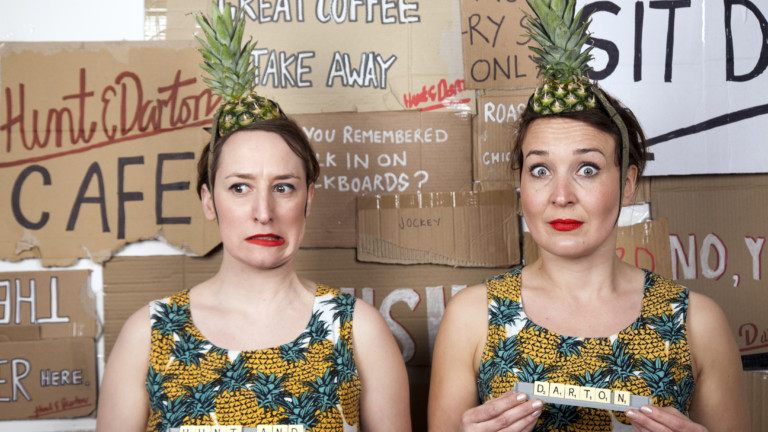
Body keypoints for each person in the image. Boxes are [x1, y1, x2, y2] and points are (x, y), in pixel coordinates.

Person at [428, 1, 749, 430]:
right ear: (521, 183)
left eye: (587, 169)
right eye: (540, 170)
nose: (561, 196)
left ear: (628, 182)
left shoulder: (697, 322)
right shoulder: (472, 316)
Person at [96, 116, 411, 432]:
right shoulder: (148, 335)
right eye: (240, 187)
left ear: (308, 200)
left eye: (283, 187)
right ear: (209, 202)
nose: (264, 212)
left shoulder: (359, 330)